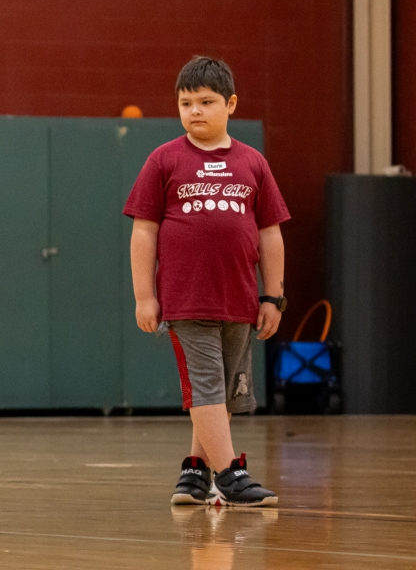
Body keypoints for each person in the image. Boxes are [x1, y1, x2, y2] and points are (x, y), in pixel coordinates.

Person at [124, 56, 287, 508]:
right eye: (185, 102)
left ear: (231, 104)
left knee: (222, 391)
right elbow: (144, 230)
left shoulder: (253, 163)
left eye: (206, 101)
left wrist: (272, 295)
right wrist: (144, 296)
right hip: (186, 300)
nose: (194, 110)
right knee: (207, 386)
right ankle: (230, 474)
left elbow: (270, 233)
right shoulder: (164, 159)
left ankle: (194, 473)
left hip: (239, 299)